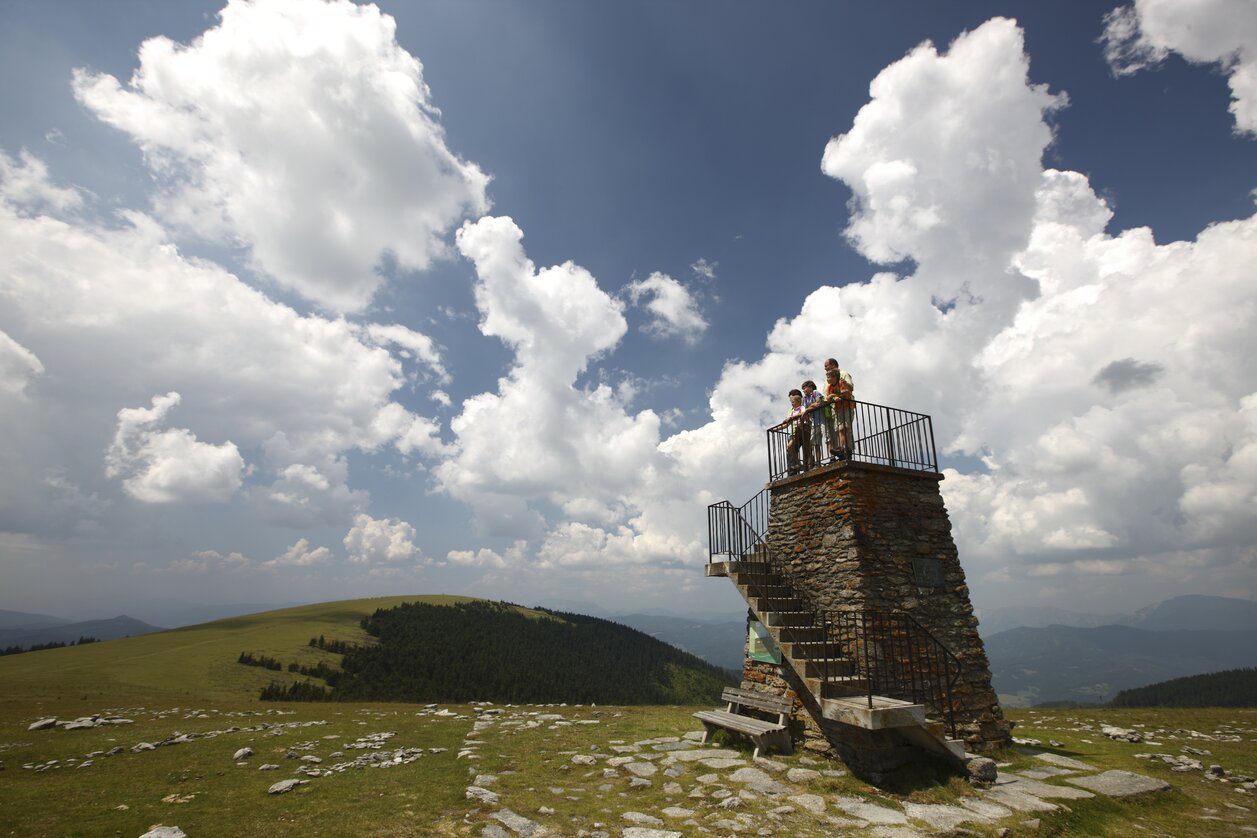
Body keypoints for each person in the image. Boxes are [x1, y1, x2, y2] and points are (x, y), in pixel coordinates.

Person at [823, 359, 854, 460]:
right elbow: (827, 397)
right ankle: (841, 450)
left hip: (846, 406)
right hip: (835, 408)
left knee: (844, 428)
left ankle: (846, 450)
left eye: (826, 366)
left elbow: (848, 390)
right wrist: (833, 396)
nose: (825, 368)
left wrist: (835, 396)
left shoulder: (842, 376)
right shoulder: (829, 386)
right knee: (839, 430)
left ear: (833, 365)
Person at [782, 388, 812, 473]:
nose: (791, 402)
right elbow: (787, 423)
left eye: (792, 400)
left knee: (806, 448)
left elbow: (804, 414)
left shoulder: (803, 406)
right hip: (794, 431)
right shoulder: (791, 410)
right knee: (791, 449)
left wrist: (791, 418)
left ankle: (808, 467)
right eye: (790, 400)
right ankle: (794, 469)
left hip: (803, 429)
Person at [800, 379, 826, 465]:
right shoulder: (804, 398)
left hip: (822, 419)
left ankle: (832, 457)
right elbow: (804, 410)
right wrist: (811, 407)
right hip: (814, 422)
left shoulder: (815, 392)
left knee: (827, 438)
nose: (803, 390)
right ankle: (818, 462)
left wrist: (808, 408)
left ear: (810, 387)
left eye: (804, 388)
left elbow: (818, 403)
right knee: (816, 443)